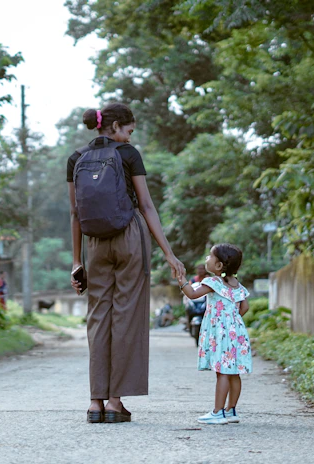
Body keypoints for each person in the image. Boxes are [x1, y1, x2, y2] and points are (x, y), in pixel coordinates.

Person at [67, 103, 185, 424]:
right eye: (130, 131)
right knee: (126, 315)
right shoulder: (128, 154)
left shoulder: (76, 158)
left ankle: (95, 403)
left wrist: (77, 261)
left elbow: (76, 213)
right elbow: (146, 205)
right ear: (116, 126)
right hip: (129, 235)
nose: (130, 138)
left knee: (98, 317)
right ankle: (116, 403)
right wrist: (169, 254)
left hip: (95, 243)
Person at [177, 243, 251, 425]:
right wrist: (232, 321)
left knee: (222, 372)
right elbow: (245, 307)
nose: (206, 259)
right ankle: (231, 410)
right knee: (234, 372)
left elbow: (193, 294)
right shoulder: (238, 286)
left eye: (210, 256)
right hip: (237, 333)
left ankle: (218, 412)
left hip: (220, 334)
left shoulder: (213, 283)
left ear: (218, 266)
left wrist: (182, 281)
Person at [184, 264, 209, 331]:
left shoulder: (208, 279)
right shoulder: (193, 280)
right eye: (199, 269)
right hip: (195, 300)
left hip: (205, 300)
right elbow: (188, 288)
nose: (200, 271)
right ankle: (188, 324)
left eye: (202, 269)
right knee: (187, 307)